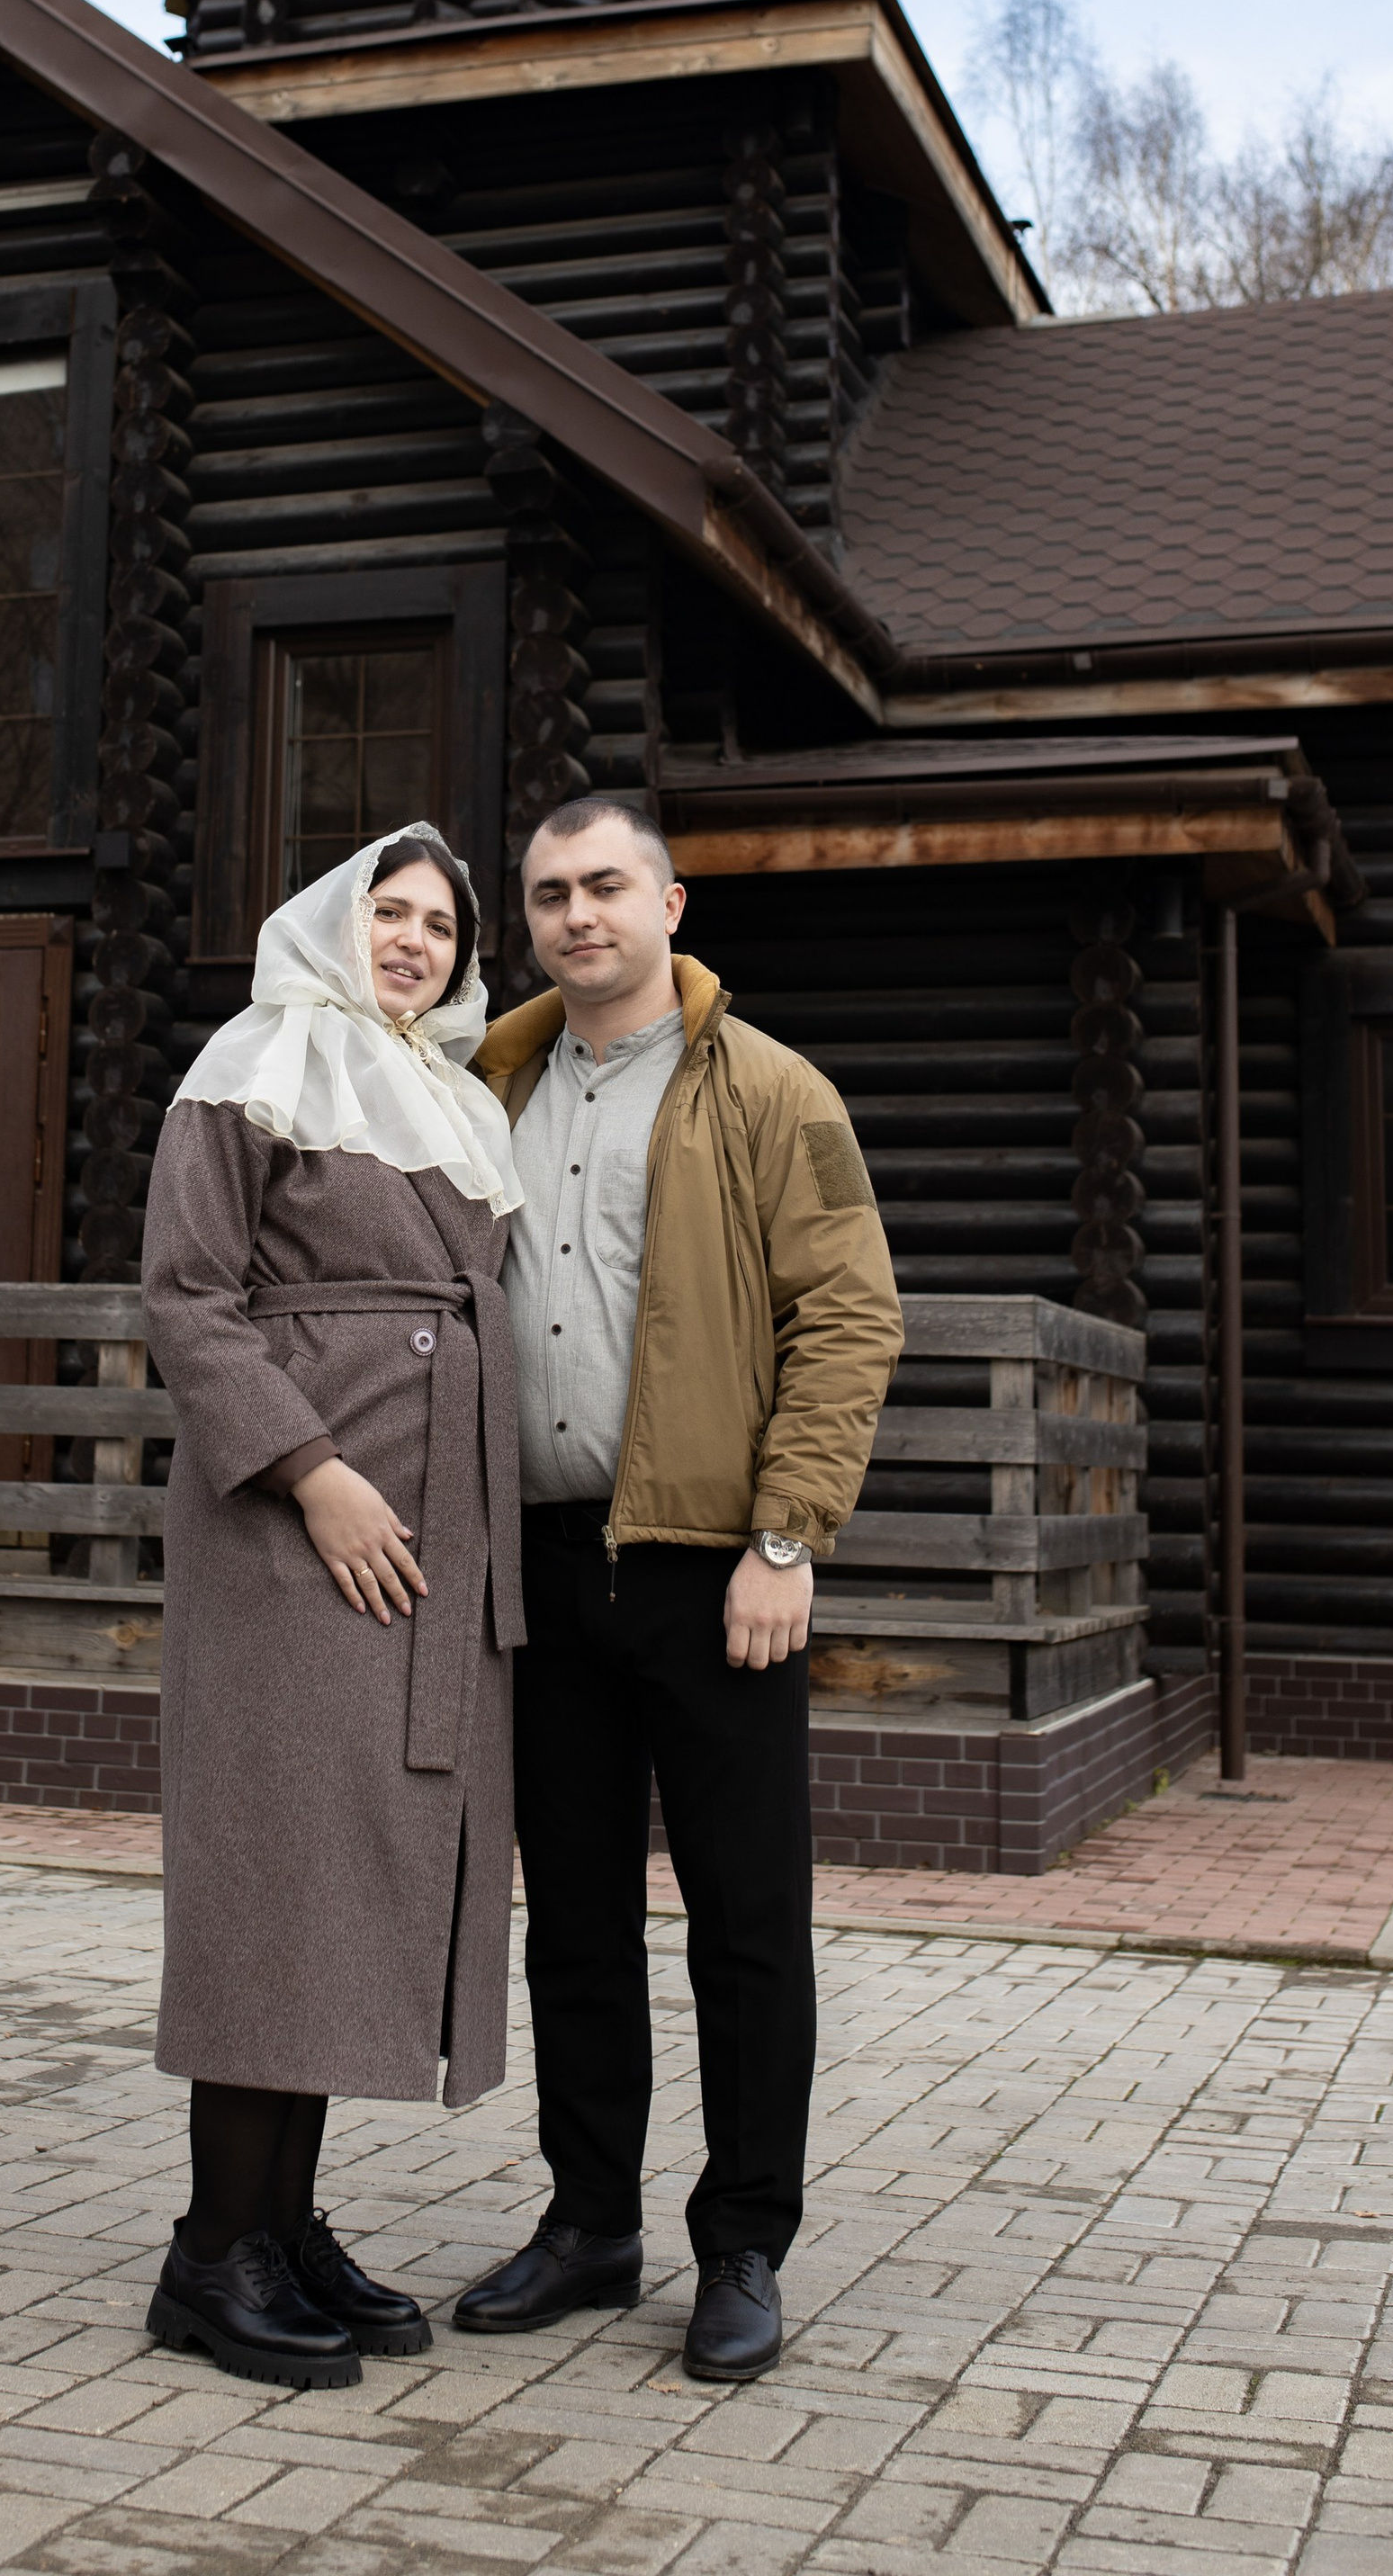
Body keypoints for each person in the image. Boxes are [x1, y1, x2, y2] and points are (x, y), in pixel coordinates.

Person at [455, 795, 903, 2383]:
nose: (578, 916)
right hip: (543, 1566)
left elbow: (851, 1320)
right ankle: (589, 2226)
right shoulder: (477, 1087)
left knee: (746, 1931)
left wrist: (788, 1539)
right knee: (572, 1923)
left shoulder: (772, 1092)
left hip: (718, 1577)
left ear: (671, 903)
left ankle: (742, 2248)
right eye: (551, 893)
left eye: (606, 888)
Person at [139, 823, 525, 2391]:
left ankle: (279, 2224)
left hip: (426, 1545)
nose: (417, 941)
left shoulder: (450, 1093)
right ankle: (210, 2255)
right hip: (297, 1545)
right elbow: (185, 1296)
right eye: (391, 911)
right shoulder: (257, 1057)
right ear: (330, 921)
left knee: (346, 1881)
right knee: (275, 1879)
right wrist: (309, 1469)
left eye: (441, 923)